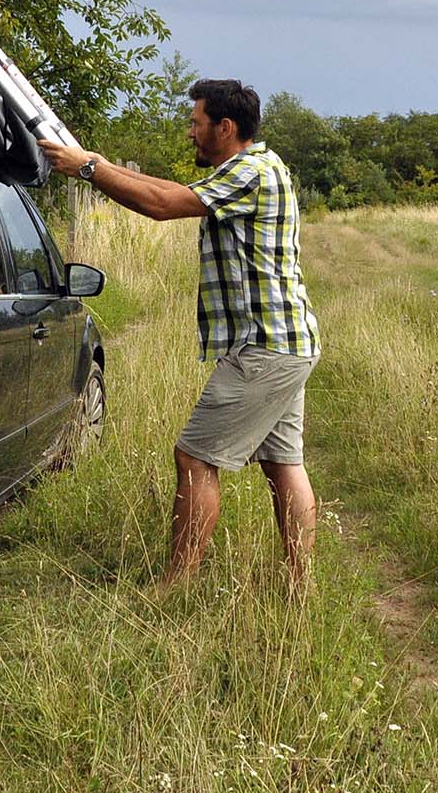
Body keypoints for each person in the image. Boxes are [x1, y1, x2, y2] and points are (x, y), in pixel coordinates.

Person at [39, 79, 322, 587]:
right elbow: (170, 191)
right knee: (283, 463)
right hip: (288, 343)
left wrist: (87, 168)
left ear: (225, 127)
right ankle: (298, 585)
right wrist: (96, 162)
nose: (190, 132)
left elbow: (163, 204)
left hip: (263, 347)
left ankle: (176, 585)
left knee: (194, 456)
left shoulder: (249, 173)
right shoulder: (260, 166)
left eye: (196, 123)